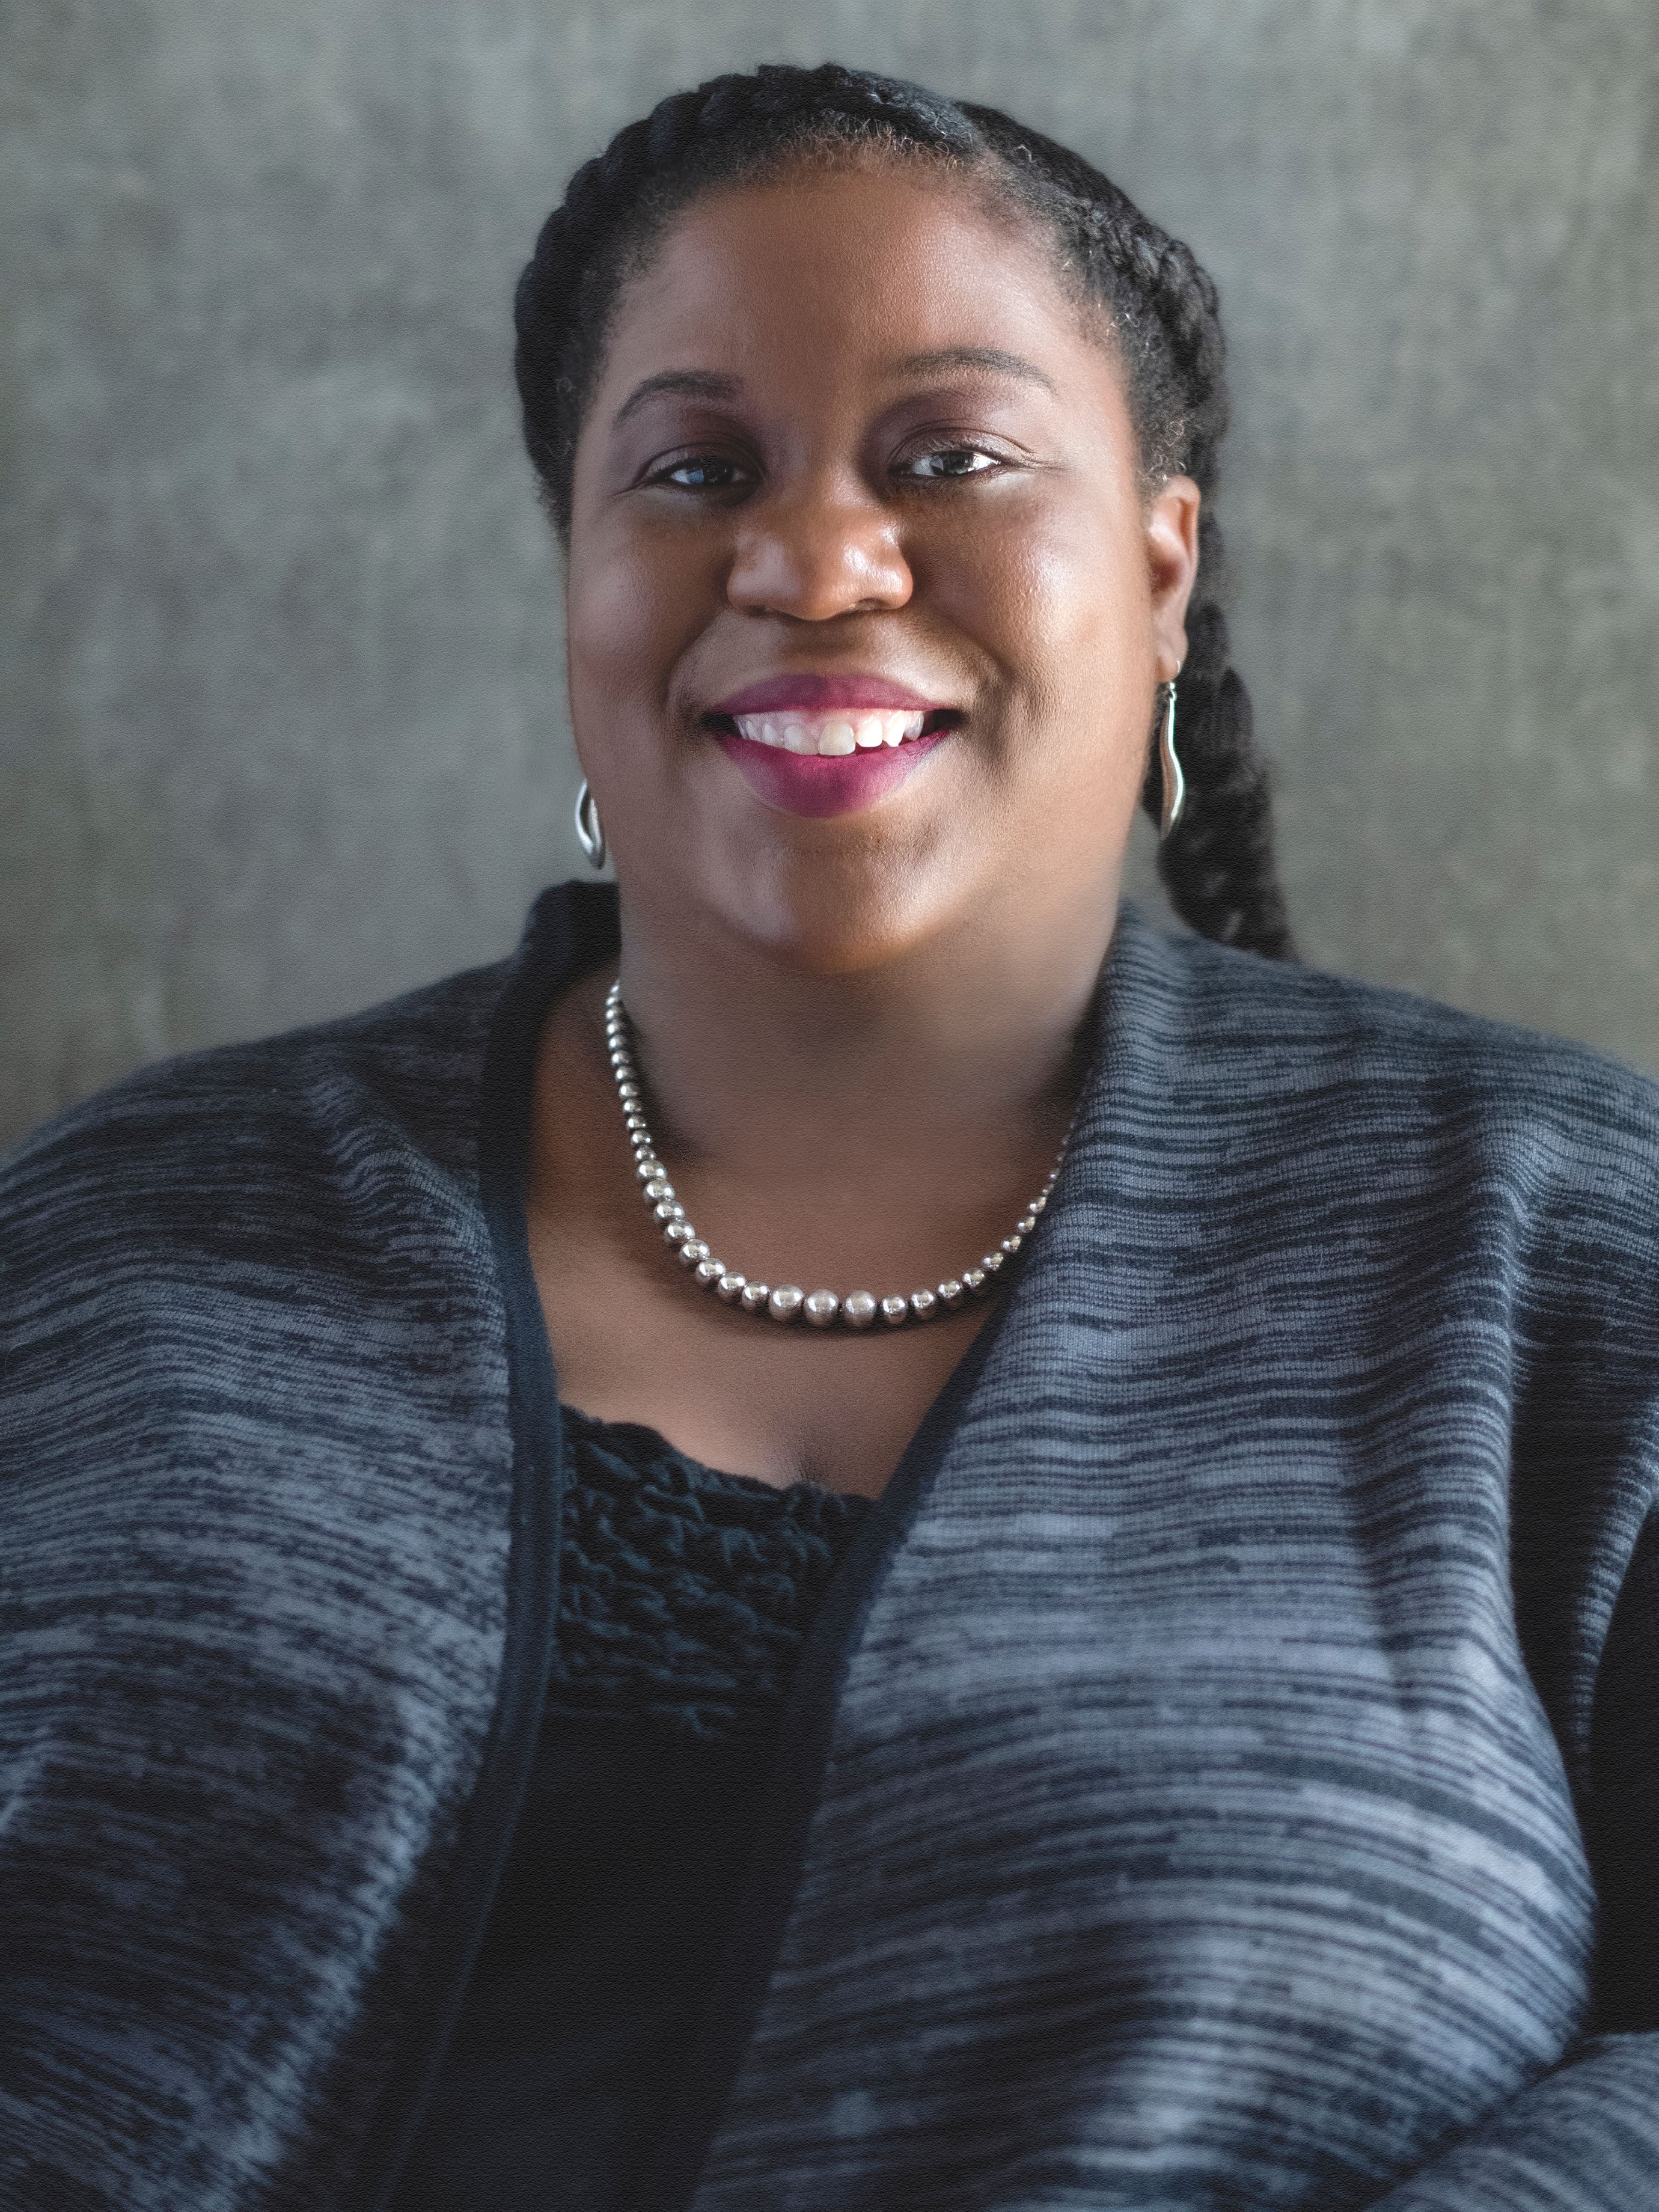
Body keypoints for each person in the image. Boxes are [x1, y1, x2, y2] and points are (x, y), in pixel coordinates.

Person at [1, 58, 1655, 2212]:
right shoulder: (112, 1256)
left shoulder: (1552, 1250)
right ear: (581, 581)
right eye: (694, 473)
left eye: (949, 456)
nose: (808, 560)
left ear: (1161, 570)